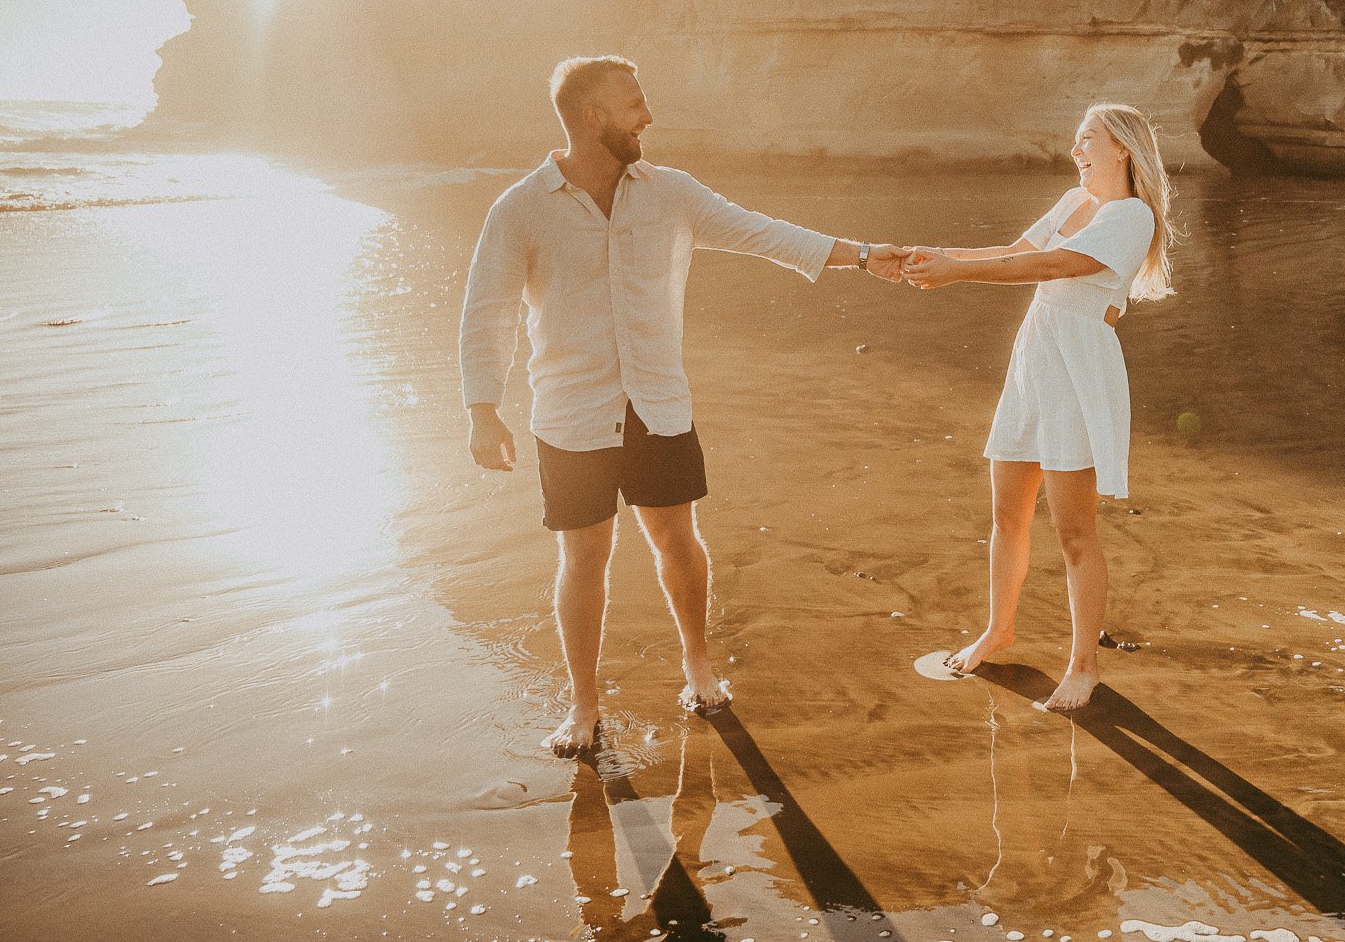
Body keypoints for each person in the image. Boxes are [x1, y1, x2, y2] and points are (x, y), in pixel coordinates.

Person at [459, 55, 907, 755]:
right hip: (571, 416)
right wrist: (482, 407)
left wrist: (863, 253)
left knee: (677, 539)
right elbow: (485, 310)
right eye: (635, 103)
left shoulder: (671, 193)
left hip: (657, 405)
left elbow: (762, 232)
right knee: (583, 559)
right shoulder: (520, 208)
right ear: (592, 118)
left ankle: (697, 663)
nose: (649, 115)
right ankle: (583, 706)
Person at [902, 104, 1176, 710]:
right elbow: (1013, 249)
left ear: (1123, 149)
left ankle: (1084, 664)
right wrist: (934, 254)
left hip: (1077, 372)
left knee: (1075, 533)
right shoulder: (1071, 201)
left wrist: (958, 275)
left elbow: (1054, 265)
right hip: (1033, 364)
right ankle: (999, 628)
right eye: (1075, 141)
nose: (1076, 151)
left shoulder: (1131, 215)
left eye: (1087, 141)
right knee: (1007, 517)